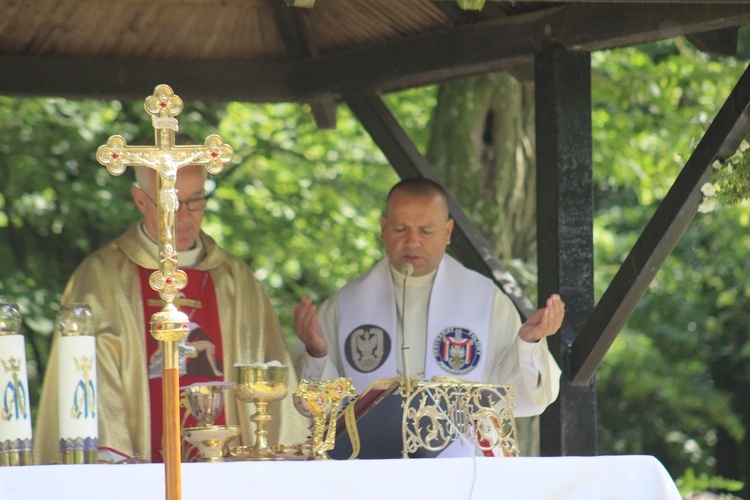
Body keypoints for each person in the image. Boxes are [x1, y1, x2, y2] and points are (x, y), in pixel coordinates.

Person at [34, 162, 307, 464]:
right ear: (140, 200)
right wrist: (117, 464)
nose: (186, 215)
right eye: (172, 202)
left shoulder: (236, 281)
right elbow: (94, 386)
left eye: (197, 200)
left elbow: (271, 381)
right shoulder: (101, 278)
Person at [293, 178, 564, 452]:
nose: (412, 241)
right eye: (400, 229)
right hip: (371, 467)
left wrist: (528, 344)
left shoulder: (487, 302)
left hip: (462, 468)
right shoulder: (346, 305)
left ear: (447, 232)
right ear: (383, 228)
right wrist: (317, 353)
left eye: (426, 230)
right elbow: (322, 409)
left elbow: (518, 398)